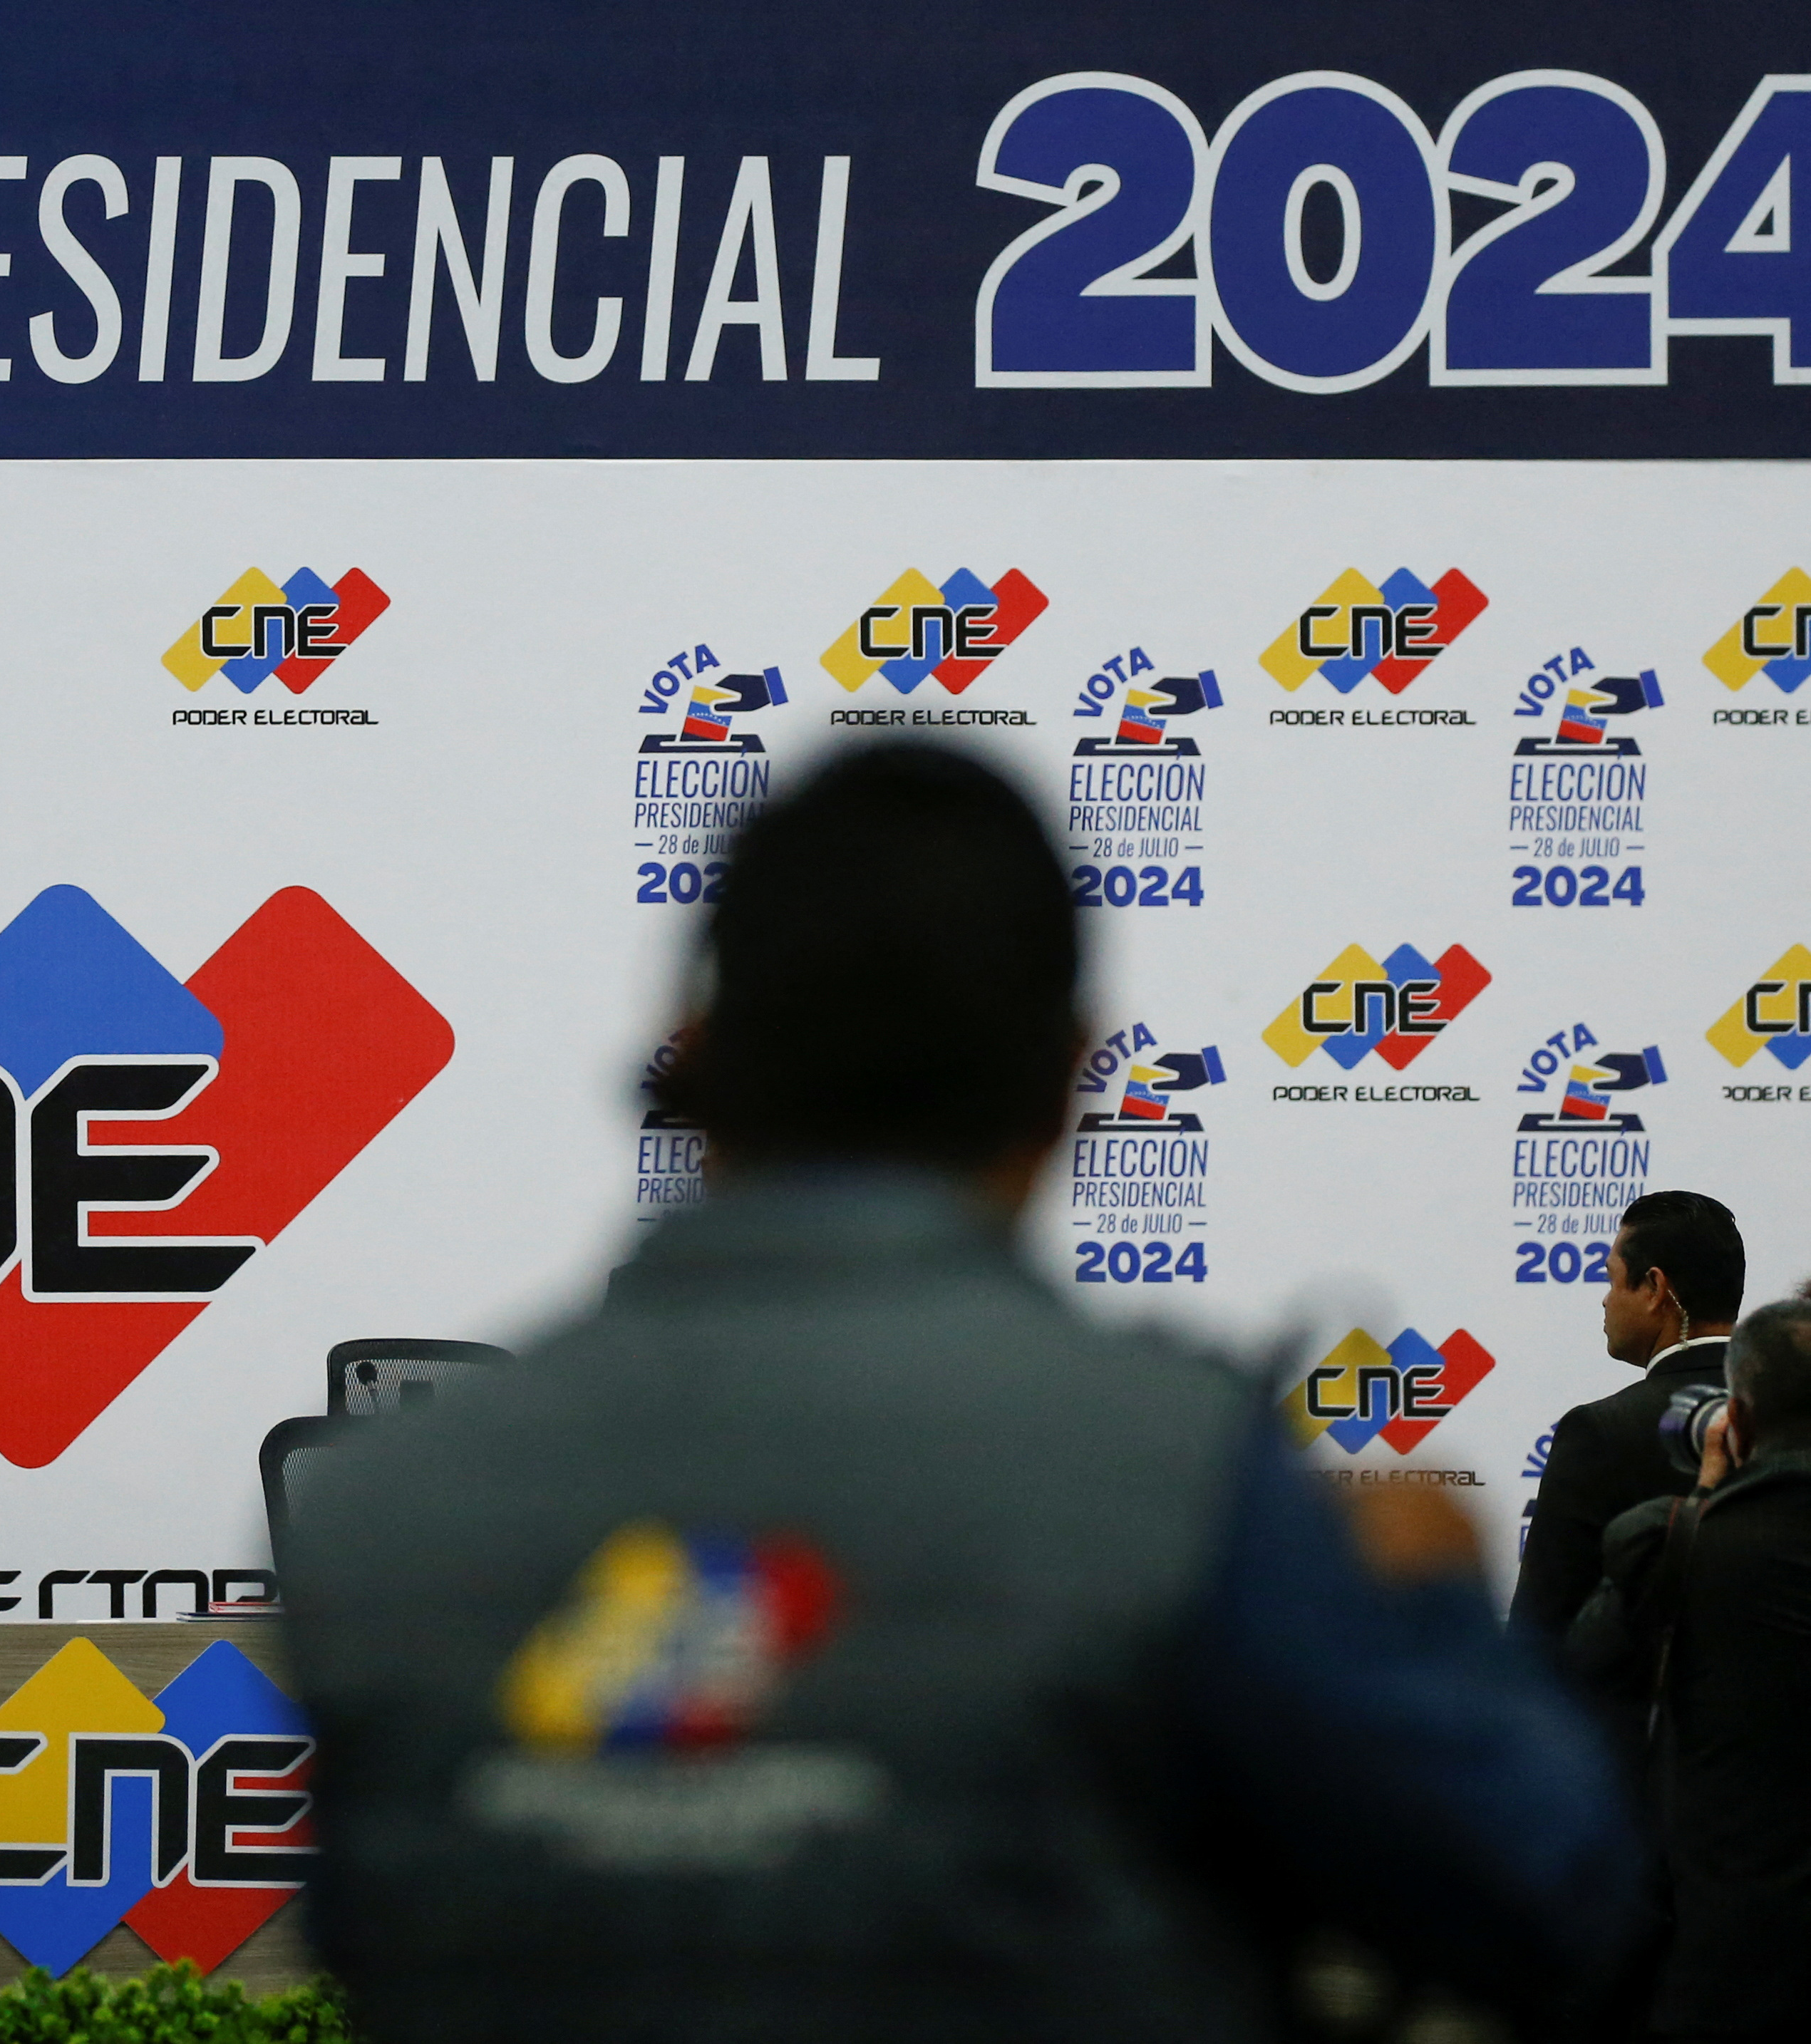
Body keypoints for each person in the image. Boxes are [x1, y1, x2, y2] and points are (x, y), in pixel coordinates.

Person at [282, 742, 1636, 2042]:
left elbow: (364, 1934)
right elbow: (1550, 1889)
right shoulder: (1179, 1481)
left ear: (691, 1052)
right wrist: (1429, 1601)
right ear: (1067, 1080)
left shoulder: (374, 1505)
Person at [1582, 1299, 1811, 2040]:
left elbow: (1587, 1666)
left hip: (1721, 1958)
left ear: (1735, 1421)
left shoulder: (1673, 1546)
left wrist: (1705, 1493)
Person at [1512, 1192, 1747, 1643]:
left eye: (1612, 1280)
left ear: (1656, 1289)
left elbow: (1540, 1635)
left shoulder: (1599, 1433)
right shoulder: (1790, 1414)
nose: (1605, 1301)